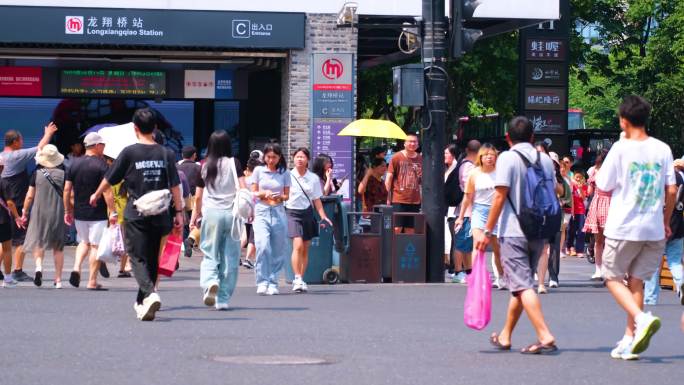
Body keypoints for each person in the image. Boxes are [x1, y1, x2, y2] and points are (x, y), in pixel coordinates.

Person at [595, 95, 676, 360]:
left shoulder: (620, 148)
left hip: (624, 226)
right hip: (653, 228)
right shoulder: (663, 149)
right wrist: (665, 221)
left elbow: (603, 185)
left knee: (611, 276)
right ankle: (630, 340)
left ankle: (641, 319)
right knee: (636, 281)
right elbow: (672, 190)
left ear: (624, 120)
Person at [90, 107, 184, 321]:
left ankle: (150, 294)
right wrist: (179, 212)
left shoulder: (130, 152)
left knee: (136, 257)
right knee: (151, 259)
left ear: (135, 128)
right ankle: (142, 303)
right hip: (161, 214)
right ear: (155, 128)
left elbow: (111, 177)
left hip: (137, 212)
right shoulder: (166, 153)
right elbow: (176, 186)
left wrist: (96, 194)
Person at [476, 116, 556, 354]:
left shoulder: (508, 158)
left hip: (513, 230)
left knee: (522, 285)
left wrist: (487, 231)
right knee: (521, 285)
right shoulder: (546, 160)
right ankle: (505, 335)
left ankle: (545, 334)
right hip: (539, 229)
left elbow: (500, 196)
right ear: (533, 137)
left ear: (508, 137)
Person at [189, 130, 246, 310]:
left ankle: (210, 282)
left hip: (212, 214)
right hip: (232, 214)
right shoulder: (234, 163)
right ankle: (222, 298)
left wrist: (195, 216)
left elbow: (198, 197)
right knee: (230, 256)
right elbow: (243, 189)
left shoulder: (204, 166)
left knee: (210, 252)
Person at [1, 122, 58, 282]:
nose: (23, 143)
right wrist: (48, 133)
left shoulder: (1, 156)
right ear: (15, 142)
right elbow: (40, 148)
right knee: (21, 238)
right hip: (17, 202)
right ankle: (18, 270)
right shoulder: (16, 156)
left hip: (4, 204)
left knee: (5, 240)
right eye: (21, 140)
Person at [64, 132, 115, 290]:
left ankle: (76, 268)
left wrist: (68, 210)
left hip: (79, 212)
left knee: (83, 242)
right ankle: (92, 281)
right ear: (97, 146)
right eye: (103, 145)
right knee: (95, 246)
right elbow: (107, 191)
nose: (104, 148)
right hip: (97, 213)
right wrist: (112, 211)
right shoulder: (102, 165)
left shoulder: (73, 164)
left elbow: (66, 190)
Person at [456, 143, 505, 289]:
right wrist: (461, 216)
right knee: (478, 246)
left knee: (498, 249)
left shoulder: (500, 172)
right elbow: (467, 197)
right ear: (480, 157)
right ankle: (478, 277)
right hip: (479, 210)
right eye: (486, 155)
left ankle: (501, 276)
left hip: (497, 211)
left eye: (492, 155)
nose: (489, 158)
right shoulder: (474, 173)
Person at [286, 147, 333, 293]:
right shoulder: (287, 176)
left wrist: (323, 216)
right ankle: (297, 278)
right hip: (291, 213)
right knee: (298, 245)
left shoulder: (312, 178)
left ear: (307, 160)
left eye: (302, 157)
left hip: (307, 213)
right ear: (293, 159)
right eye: (297, 156)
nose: (299, 159)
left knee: (306, 248)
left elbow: (316, 200)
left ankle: (300, 277)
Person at [19, 145, 66, 288]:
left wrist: (24, 212)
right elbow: (69, 194)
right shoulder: (64, 173)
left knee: (39, 242)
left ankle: (39, 267)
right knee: (58, 247)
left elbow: (29, 196)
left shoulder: (36, 173)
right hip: (57, 211)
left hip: (39, 212)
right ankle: (58, 280)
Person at [251, 143, 290, 295]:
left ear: (279, 157)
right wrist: (264, 193)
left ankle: (273, 282)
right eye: (268, 157)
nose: (271, 160)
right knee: (262, 245)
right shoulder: (258, 170)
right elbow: (253, 192)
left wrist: (280, 196)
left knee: (278, 249)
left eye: (274, 157)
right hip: (262, 210)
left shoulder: (284, 172)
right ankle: (262, 281)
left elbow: (287, 195)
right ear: (264, 157)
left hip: (279, 210)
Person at [643, 159, 683, 305]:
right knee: (674, 260)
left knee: (653, 261)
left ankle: (650, 297)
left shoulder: (656, 177)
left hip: (659, 221)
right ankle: (681, 282)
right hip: (678, 222)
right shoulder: (680, 177)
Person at [451, 140, 480, 283]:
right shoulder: (469, 167)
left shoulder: (464, 164)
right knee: (462, 243)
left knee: (466, 244)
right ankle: (458, 272)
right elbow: (469, 190)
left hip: (466, 210)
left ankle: (468, 272)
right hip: (466, 210)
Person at [582, 149, 611, 280]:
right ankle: (606, 269)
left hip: (598, 202)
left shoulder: (595, 171)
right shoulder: (614, 170)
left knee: (599, 241)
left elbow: (589, 191)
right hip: (611, 203)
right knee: (610, 241)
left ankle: (599, 270)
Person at [385, 133, 422, 234]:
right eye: (410, 141)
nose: (412, 144)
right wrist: (388, 196)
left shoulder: (421, 159)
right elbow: (389, 177)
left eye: (414, 142)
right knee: (396, 229)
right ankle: (394, 250)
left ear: (418, 144)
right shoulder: (396, 157)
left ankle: (405, 250)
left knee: (410, 230)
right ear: (404, 143)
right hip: (398, 199)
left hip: (415, 201)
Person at [0, 156, 21, 287]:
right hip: (2, 220)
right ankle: (7, 279)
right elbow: (10, 203)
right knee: (7, 249)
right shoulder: (3, 182)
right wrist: (17, 217)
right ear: (1, 167)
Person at [240, 156, 263, 269]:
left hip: (244, 210)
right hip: (255, 210)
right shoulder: (257, 181)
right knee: (253, 236)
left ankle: (235, 255)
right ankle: (248, 258)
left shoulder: (244, 180)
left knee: (245, 235)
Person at [443, 144, 459, 278]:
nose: (444, 156)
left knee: (453, 238)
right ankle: (450, 265)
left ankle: (454, 266)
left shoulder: (456, 169)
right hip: (447, 210)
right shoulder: (446, 169)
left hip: (453, 210)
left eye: (446, 153)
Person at [567, 172, 588, 257]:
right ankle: (570, 247)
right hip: (572, 210)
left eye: (580, 177)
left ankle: (579, 250)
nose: (578, 179)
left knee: (581, 231)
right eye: (576, 177)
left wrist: (580, 189)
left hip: (580, 211)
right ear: (574, 177)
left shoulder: (584, 186)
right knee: (571, 230)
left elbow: (583, 198)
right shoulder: (571, 185)